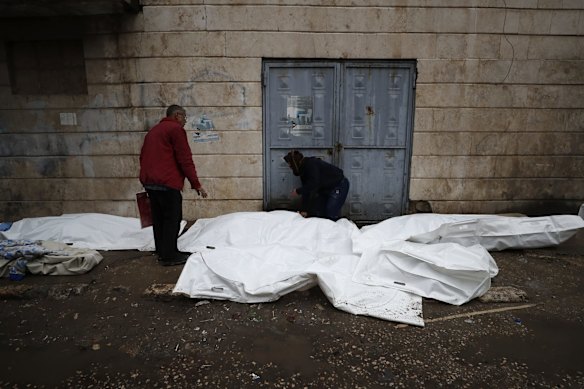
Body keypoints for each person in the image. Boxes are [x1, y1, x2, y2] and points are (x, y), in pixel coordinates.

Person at [139, 104, 208, 266]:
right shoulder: (175, 130)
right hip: (167, 182)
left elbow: (142, 157)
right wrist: (196, 184)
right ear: (177, 115)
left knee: (159, 218)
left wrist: (145, 179)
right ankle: (169, 256)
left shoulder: (153, 131)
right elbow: (184, 159)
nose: (185, 121)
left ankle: (162, 250)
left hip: (150, 182)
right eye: (184, 117)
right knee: (172, 218)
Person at [284, 150, 349, 221]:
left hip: (339, 185)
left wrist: (298, 191)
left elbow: (313, 183)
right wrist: (304, 210)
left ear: (295, 162)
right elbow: (307, 190)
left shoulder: (311, 164)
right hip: (325, 189)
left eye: (290, 164)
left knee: (331, 212)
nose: (289, 166)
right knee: (318, 211)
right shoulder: (303, 170)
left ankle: (339, 229)